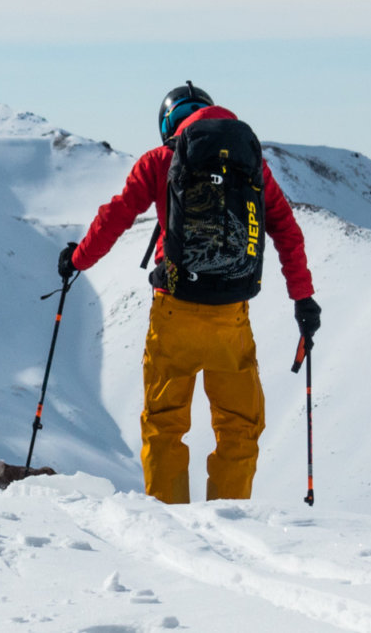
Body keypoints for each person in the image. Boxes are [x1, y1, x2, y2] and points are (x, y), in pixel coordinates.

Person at [60, 82, 319, 504]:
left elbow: (117, 215)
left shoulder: (160, 161)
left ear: (168, 124)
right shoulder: (251, 164)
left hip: (174, 308)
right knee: (238, 425)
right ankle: (230, 518)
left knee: (164, 424)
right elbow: (287, 232)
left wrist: (77, 261)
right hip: (230, 314)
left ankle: (168, 525)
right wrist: (302, 299)